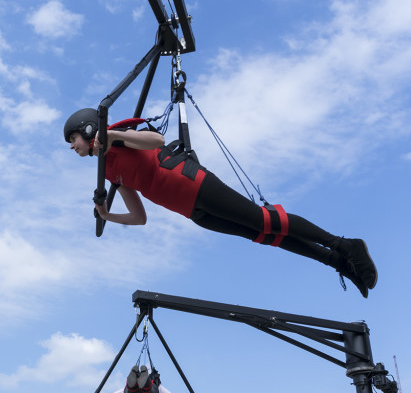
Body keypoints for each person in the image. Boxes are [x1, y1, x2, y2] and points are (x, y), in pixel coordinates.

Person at [64, 108, 378, 297]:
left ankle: (345, 245)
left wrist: (114, 136)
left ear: (87, 128)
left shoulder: (119, 136)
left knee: (265, 220)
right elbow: (140, 217)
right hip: (191, 211)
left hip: (194, 185)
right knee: (262, 235)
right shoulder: (109, 172)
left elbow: (156, 141)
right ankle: (336, 262)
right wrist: (108, 214)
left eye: (73, 140)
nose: (72, 147)